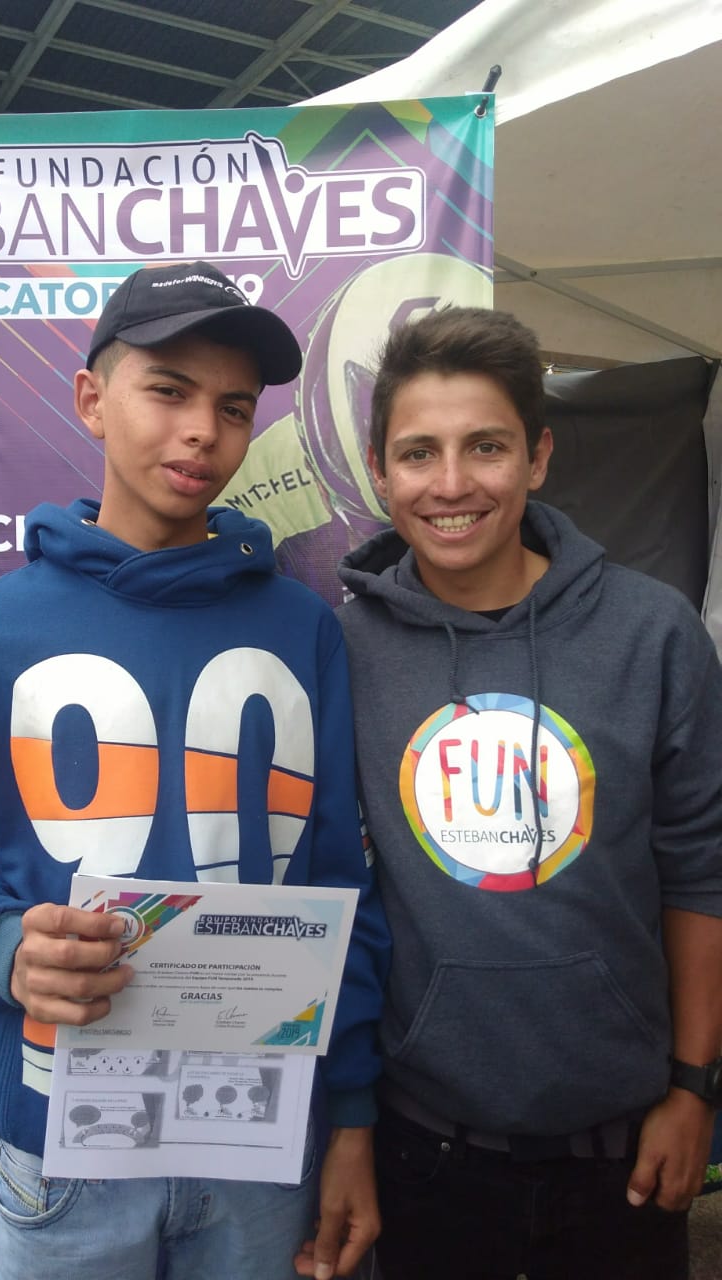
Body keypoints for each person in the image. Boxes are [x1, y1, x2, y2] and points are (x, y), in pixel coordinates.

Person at [0, 260, 390, 1280]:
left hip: (263, 1143)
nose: (203, 430)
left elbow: (343, 881)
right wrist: (2, 945)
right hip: (63, 1148)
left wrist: (350, 1110)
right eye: (168, 389)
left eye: (235, 407)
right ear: (92, 398)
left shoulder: (303, 630)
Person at [336, 305, 722, 1280]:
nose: (452, 483)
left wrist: (693, 1087)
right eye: (418, 453)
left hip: (624, 1149)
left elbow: (701, 872)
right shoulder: (344, 648)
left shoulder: (653, 634)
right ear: (379, 471)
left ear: (538, 457)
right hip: (423, 1150)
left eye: (486, 446)